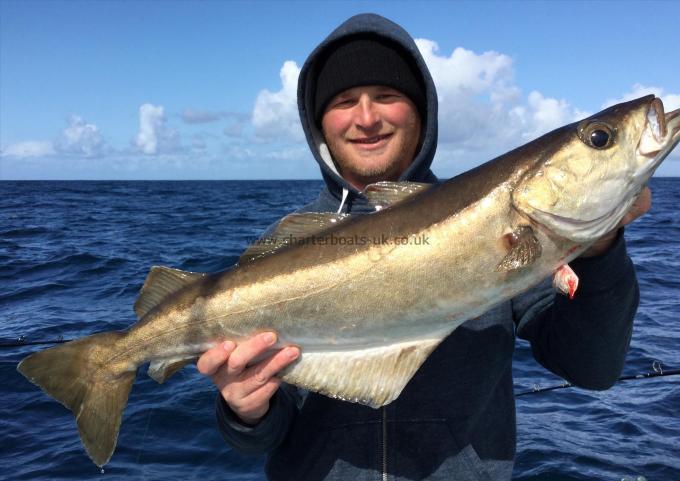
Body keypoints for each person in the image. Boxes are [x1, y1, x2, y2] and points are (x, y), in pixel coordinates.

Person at [197, 13, 649, 481]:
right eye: (345, 100)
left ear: (421, 111)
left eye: (387, 96)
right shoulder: (283, 250)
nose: (367, 118)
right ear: (319, 122)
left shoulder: (502, 225)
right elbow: (261, 437)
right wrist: (245, 412)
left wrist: (600, 253)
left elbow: (592, 368)